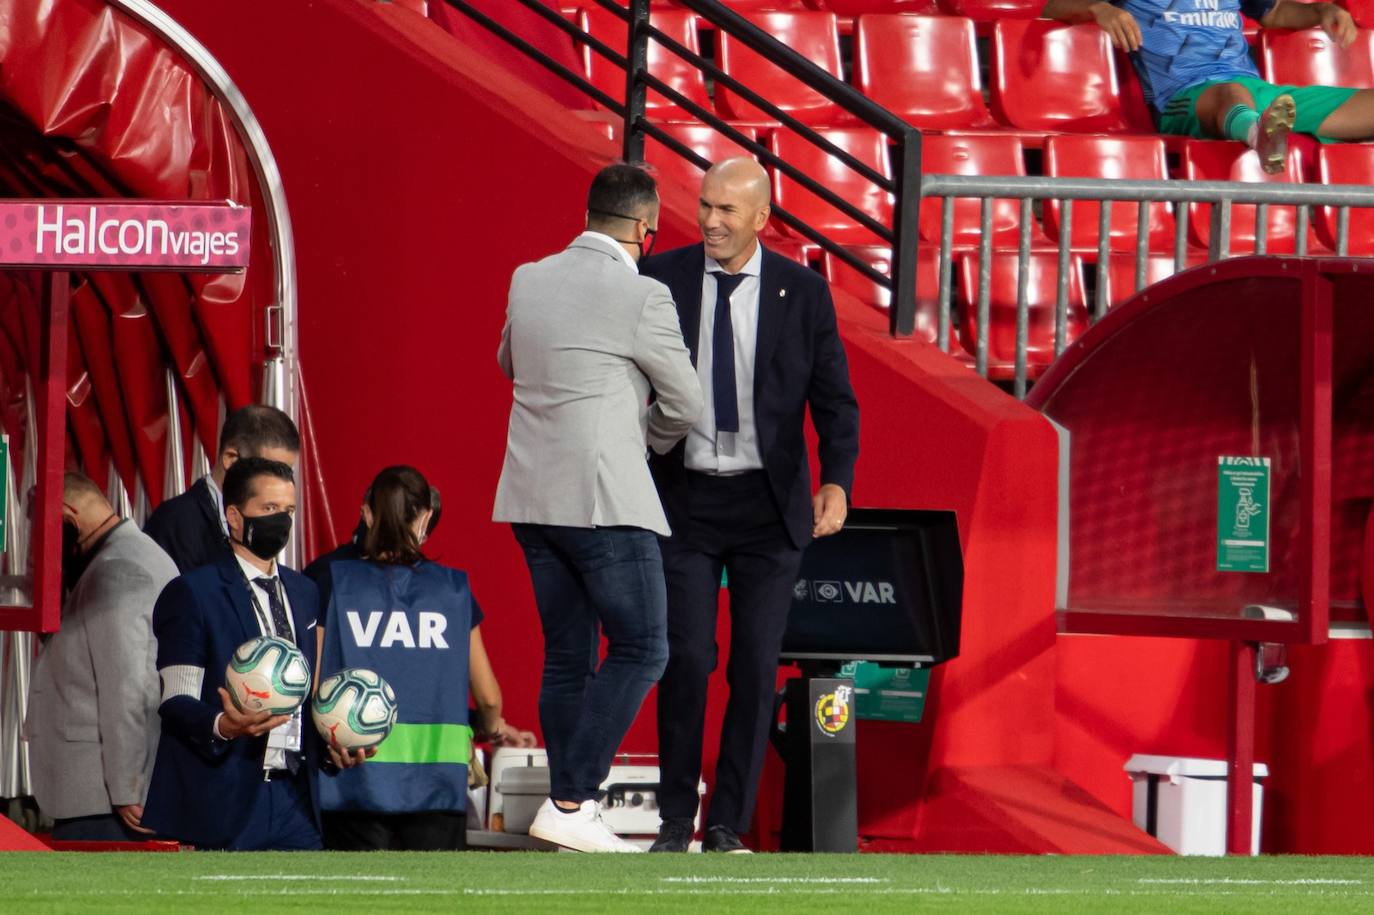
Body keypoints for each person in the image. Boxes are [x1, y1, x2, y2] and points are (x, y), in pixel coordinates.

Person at [640, 158, 859, 854]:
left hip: (770, 508)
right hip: (686, 501)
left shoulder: (804, 292)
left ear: (763, 217)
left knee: (754, 667)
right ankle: (676, 818)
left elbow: (835, 401)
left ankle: (726, 823)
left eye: (728, 210)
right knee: (685, 658)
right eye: (705, 206)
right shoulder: (660, 279)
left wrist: (839, 479)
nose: (710, 220)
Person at [493, 163, 703, 853]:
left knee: (566, 657)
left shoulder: (529, 276)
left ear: (589, 214)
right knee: (644, 645)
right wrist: (641, 437)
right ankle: (572, 797)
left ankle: (572, 807)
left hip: (530, 493)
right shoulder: (643, 295)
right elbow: (689, 403)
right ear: (646, 229)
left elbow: (508, 361)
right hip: (603, 497)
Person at [142, 457, 365, 850]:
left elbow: (302, 694)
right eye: (269, 509)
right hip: (223, 797)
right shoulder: (193, 592)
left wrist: (333, 746)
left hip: (295, 798)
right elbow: (176, 700)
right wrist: (223, 725)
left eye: (289, 510)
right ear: (233, 515)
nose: (282, 520)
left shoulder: (305, 592)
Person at [313, 466, 532, 851]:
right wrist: (493, 727)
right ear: (427, 516)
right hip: (436, 785)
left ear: (366, 514)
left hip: (355, 780)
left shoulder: (333, 581)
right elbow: (490, 698)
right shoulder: (453, 590)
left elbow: (316, 687)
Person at [1042, 0, 1372, 174]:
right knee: (1231, 95)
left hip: (1258, 92)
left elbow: (1274, 12)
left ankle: (1264, 126)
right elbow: (1052, 6)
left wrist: (1322, 10)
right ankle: (1260, 136)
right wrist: (1099, 8)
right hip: (1184, 96)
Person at [24, 472, 178, 841]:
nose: (37, 545)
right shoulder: (125, 555)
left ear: (67, 517)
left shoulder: (116, 569)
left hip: (105, 801)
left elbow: (128, 686)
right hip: (98, 794)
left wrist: (129, 787)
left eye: (41, 530)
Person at [144, 404, 299, 573]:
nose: (281, 483)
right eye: (269, 470)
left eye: (286, 472)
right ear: (231, 459)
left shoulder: (269, 521)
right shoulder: (173, 524)